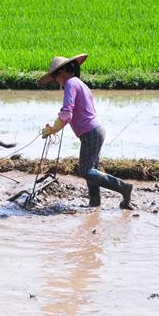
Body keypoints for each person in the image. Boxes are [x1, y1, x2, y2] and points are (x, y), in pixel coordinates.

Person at [39, 54, 133, 209]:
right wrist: (58, 125)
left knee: (86, 171)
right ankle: (94, 202)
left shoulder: (70, 84)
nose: (56, 80)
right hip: (97, 130)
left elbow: (67, 112)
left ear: (62, 72)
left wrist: (54, 128)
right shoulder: (79, 84)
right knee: (92, 170)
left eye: (55, 76)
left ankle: (122, 187)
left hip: (90, 132)